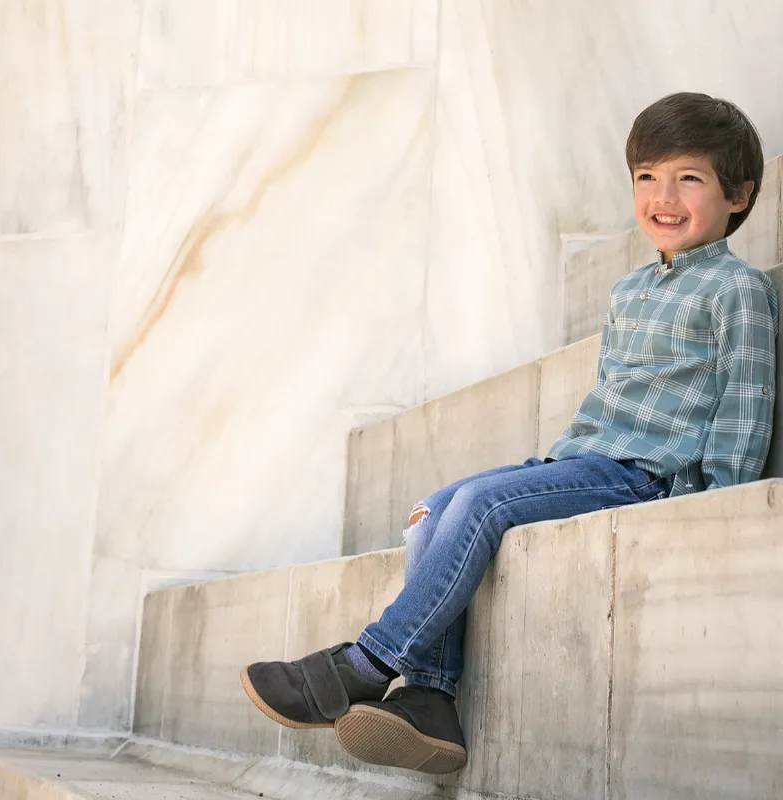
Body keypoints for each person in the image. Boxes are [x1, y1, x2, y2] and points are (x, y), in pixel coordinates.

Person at [240, 92, 778, 775]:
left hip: (650, 477)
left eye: (688, 179)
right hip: (589, 462)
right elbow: (605, 405)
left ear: (739, 194)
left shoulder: (737, 290)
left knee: (481, 506)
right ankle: (430, 701)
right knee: (433, 510)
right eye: (647, 178)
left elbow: (746, 408)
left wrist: (713, 500)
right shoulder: (628, 292)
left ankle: (368, 662)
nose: (662, 197)